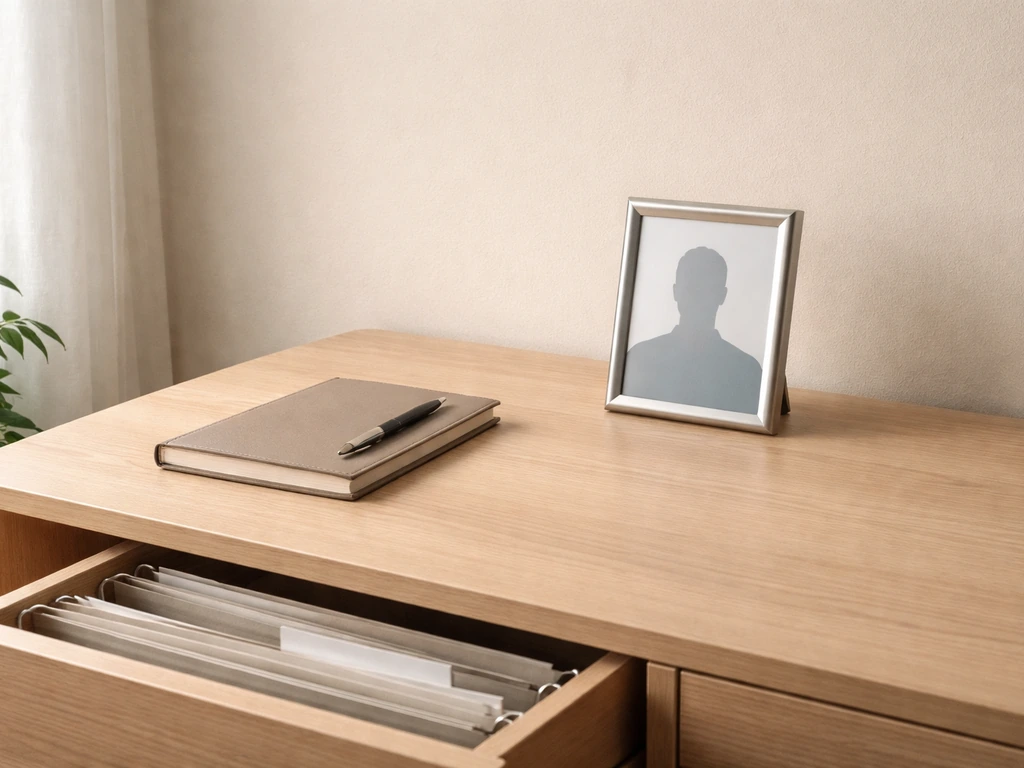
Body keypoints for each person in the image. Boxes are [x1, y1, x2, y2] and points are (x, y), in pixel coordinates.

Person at [623, 246, 762, 414]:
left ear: (722, 296)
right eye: (692, 287)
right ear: (675, 292)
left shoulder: (748, 372)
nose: (697, 297)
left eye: (706, 289)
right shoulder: (638, 359)